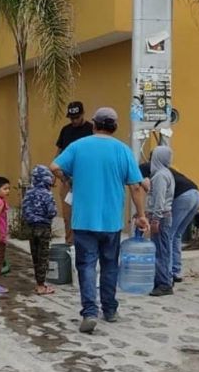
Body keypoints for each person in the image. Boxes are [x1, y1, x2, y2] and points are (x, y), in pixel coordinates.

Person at [51, 107, 148, 333]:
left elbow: (54, 166)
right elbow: (135, 186)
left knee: (86, 266)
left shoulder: (78, 146)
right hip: (111, 221)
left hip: (83, 220)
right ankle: (110, 309)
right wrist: (141, 215)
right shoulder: (123, 150)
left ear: (94, 124)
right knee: (109, 265)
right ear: (114, 126)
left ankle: (90, 312)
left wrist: (68, 179)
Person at [139, 158, 199, 283]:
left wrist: (144, 212)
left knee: (167, 235)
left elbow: (150, 189)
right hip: (196, 195)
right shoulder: (162, 168)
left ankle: (166, 274)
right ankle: (175, 271)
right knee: (176, 234)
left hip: (183, 197)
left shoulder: (141, 169)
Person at [55, 101, 94, 245]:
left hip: (87, 179)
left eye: (77, 117)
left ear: (83, 114)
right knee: (68, 215)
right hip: (67, 179)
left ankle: (87, 243)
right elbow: (58, 154)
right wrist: (61, 175)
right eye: (71, 118)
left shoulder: (91, 129)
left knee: (87, 213)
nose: (74, 121)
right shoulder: (65, 130)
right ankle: (70, 244)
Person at [22, 165, 58, 295]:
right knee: (43, 256)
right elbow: (52, 211)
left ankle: (38, 282)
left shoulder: (29, 192)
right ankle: (41, 285)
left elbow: (24, 210)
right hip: (43, 227)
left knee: (35, 255)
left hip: (31, 227)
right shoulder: (47, 194)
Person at [146, 146, 175, 297]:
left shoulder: (159, 176)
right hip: (165, 216)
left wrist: (155, 219)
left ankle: (164, 284)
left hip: (161, 218)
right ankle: (163, 281)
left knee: (160, 251)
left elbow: (159, 199)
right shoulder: (166, 173)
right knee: (163, 249)